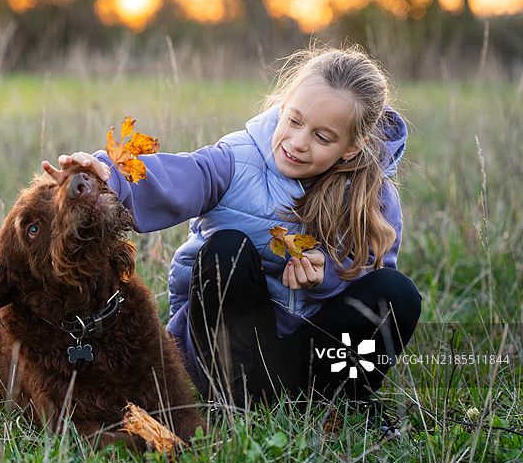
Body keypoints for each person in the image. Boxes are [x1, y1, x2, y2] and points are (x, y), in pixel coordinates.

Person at [42, 46, 421, 428]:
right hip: (229, 354)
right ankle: (239, 403)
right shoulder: (238, 159)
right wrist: (106, 175)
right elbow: (176, 176)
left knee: (397, 293)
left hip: (311, 360)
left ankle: (340, 402)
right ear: (284, 104)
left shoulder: (372, 197)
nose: (298, 141)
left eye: (322, 137)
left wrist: (329, 278)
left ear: (350, 147)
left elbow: (372, 276)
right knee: (226, 248)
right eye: (293, 121)